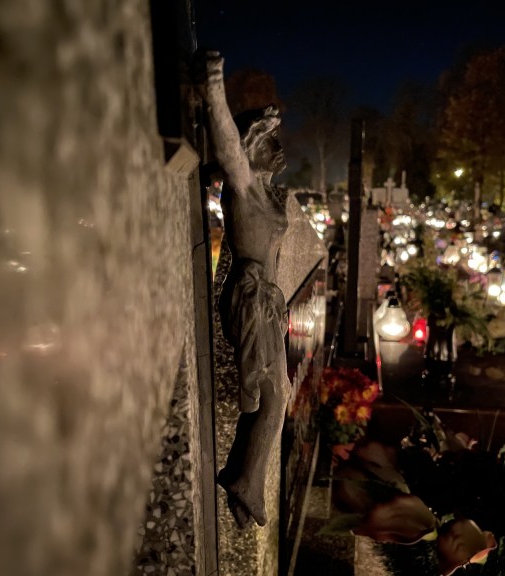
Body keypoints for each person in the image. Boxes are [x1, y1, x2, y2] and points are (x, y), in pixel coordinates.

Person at [201, 51, 291, 528]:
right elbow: (227, 143)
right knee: (271, 397)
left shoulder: (270, 194)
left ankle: (242, 477)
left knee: (276, 395)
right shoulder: (244, 184)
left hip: (267, 301)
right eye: (269, 140)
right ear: (252, 148)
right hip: (250, 297)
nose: (278, 147)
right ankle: (245, 485)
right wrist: (214, 87)